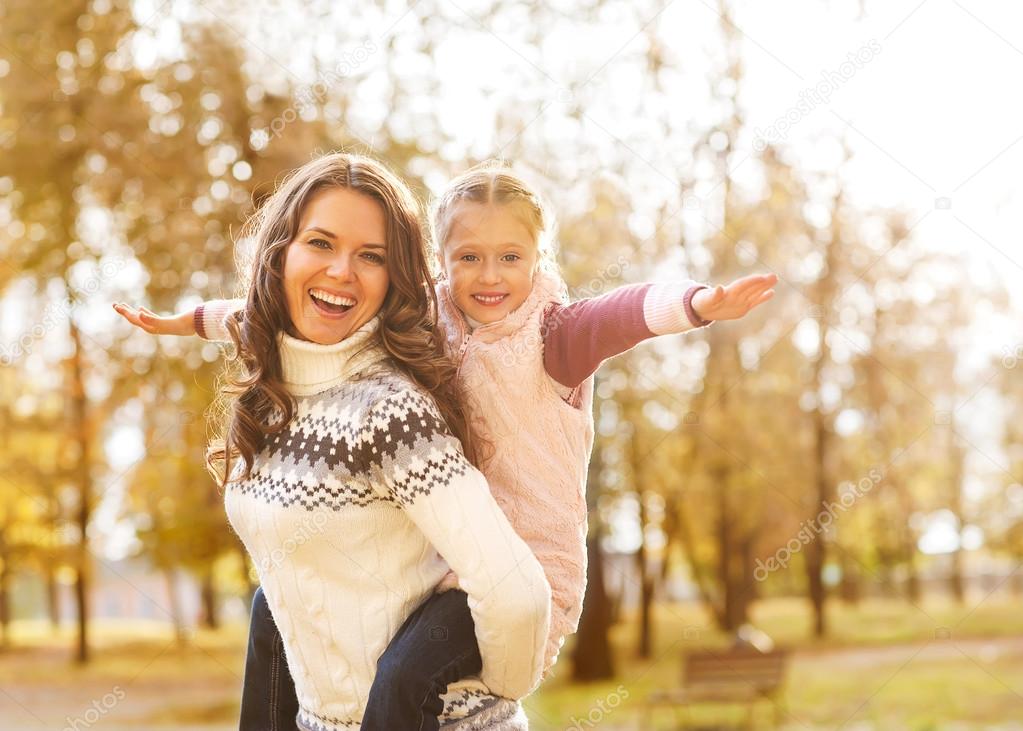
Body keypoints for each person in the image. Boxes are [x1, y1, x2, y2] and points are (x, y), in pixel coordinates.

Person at [116, 162, 777, 730]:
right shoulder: (424, 322)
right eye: (468, 257)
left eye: (510, 257)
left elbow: (625, 312)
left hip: (523, 568)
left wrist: (697, 302)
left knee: (401, 679)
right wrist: (190, 320)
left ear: (537, 261)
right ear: (441, 261)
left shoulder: (555, 337)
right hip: (441, 562)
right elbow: (277, 306)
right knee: (273, 601)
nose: (489, 275)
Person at [118, 153, 552, 731]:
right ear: (282, 253)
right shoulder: (273, 396)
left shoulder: (391, 411)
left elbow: (515, 593)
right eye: (321, 243)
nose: (342, 271)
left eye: (371, 256)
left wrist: (491, 695)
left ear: (395, 277)